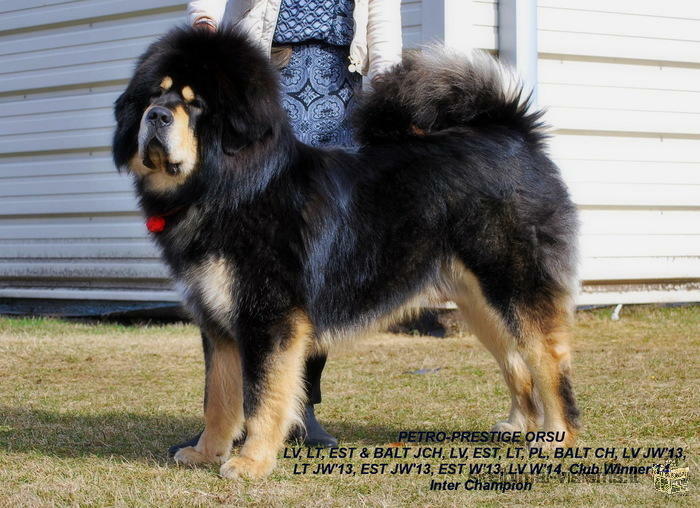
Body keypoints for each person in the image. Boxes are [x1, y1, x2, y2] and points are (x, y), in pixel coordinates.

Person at [169, 0, 402, 452]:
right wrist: (204, 24)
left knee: (311, 261)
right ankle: (221, 419)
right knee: (226, 251)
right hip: (258, 80)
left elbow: (382, 21)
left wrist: (386, 95)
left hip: (339, 96)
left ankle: (299, 407)